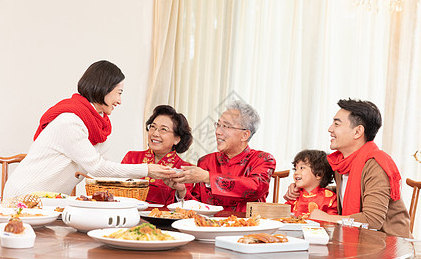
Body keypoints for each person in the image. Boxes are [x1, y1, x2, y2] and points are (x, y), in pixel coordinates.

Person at [4, 60, 174, 198]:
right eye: (119, 93)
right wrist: (148, 169)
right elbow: (98, 167)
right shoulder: (70, 122)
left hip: (46, 201)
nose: (120, 101)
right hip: (23, 197)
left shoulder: (96, 127)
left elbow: (104, 170)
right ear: (104, 89)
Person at [284, 99, 411, 238]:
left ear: (357, 131)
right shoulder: (342, 163)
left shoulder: (376, 164)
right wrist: (307, 189)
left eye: (337, 124)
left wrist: (325, 217)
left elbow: (372, 221)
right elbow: (346, 191)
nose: (330, 129)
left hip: (389, 244)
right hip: (361, 240)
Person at [165, 100, 276, 212]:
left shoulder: (263, 159)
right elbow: (196, 205)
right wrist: (182, 190)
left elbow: (254, 188)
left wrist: (207, 177)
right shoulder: (206, 161)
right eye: (218, 125)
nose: (218, 131)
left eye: (226, 126)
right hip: (208, 226)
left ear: (244, 135)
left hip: (245, 226)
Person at [121, 105, 194, 206]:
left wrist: (181, 191)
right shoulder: (131, 158)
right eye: (153, 127)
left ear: (177, 139)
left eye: (163, 129)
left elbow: (190, 208)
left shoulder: (185, 169)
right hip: (130, 217)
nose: (155, 133)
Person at [285, 149, 337, 218]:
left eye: (302, 168)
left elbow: (332, 223)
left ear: (319, 174)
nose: (296, 172)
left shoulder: (330, 198)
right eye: (295, 169)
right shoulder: (294, 195)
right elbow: (284, 216)